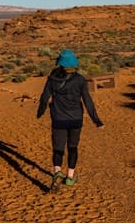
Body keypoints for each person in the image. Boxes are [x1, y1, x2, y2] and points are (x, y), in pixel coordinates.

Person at [37, 49, 104, 190]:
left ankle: (57, 174)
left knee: (58, 149)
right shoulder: (80, 79)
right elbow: (87, 100)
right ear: (74, 63)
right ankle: (70, 178)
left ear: (60, 63)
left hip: (58, 119)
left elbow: (44, 97)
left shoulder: (52, 79)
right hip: (75, 120)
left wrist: (40, 111)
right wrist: (96, 120)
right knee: (72, 147)